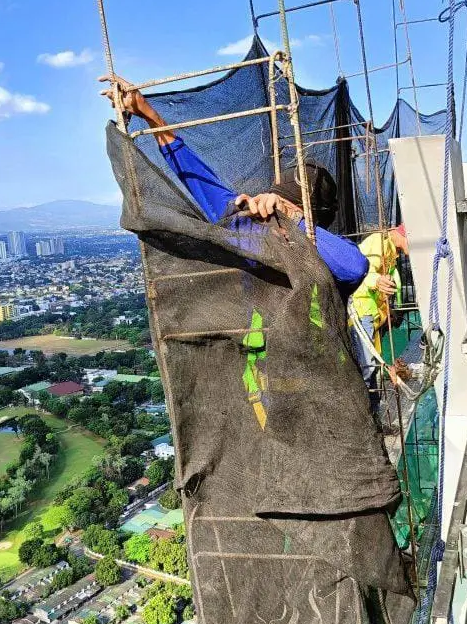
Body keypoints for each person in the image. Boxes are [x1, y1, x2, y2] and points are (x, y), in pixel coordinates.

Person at [101, 76, 368, 294]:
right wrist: (150, 115)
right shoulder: (246, 224)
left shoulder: (325, 251)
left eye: (282, 203)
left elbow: (354, 267)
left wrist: (291, 220)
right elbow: (195, 174)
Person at [348, 224, 410, 411]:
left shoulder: (392, 251)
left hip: (372, 315)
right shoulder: (378, 242)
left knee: (371, 370)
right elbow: (358, 269)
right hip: (362, 314)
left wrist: (386, 310)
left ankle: (373, 420)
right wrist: (376, 280)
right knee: (366, 370)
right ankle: (366, 419)